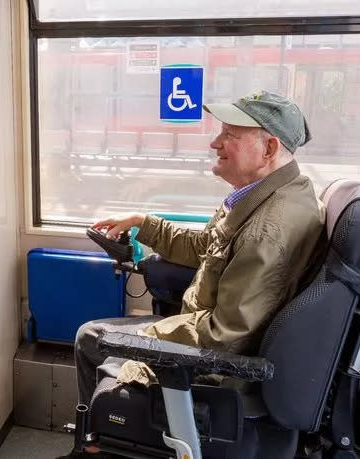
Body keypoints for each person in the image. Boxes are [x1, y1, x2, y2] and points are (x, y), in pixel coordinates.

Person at [74, 91, 326, 413]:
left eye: (229, 135)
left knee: (88, 339)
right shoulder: (261, 198)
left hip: (207, 363)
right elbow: (205, 247)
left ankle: (95, 443)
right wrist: (142, 223)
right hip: (196, 327)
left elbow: (225, 336)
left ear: (270, 148)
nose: (214, 143)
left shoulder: (267, 231)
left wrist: (150, 339)